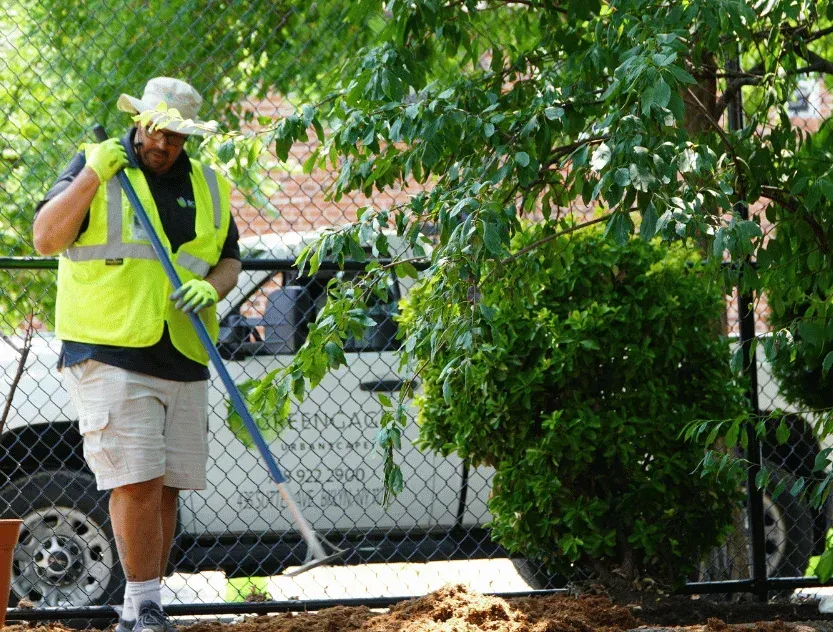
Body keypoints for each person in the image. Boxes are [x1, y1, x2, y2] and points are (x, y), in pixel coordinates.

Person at [33, 77, 242, 632]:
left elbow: (228, 260)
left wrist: (213, 288)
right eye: (155, 129)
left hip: (182, 347)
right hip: (111, 346)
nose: (162, 143)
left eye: (174, 134)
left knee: (167, 483)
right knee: (136, 480)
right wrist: (93, 174)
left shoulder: (209, 185)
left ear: (187, 135)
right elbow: (46, 238)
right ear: (139, 119)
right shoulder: (93, 164)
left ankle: (141, 610)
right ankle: (144, 606)